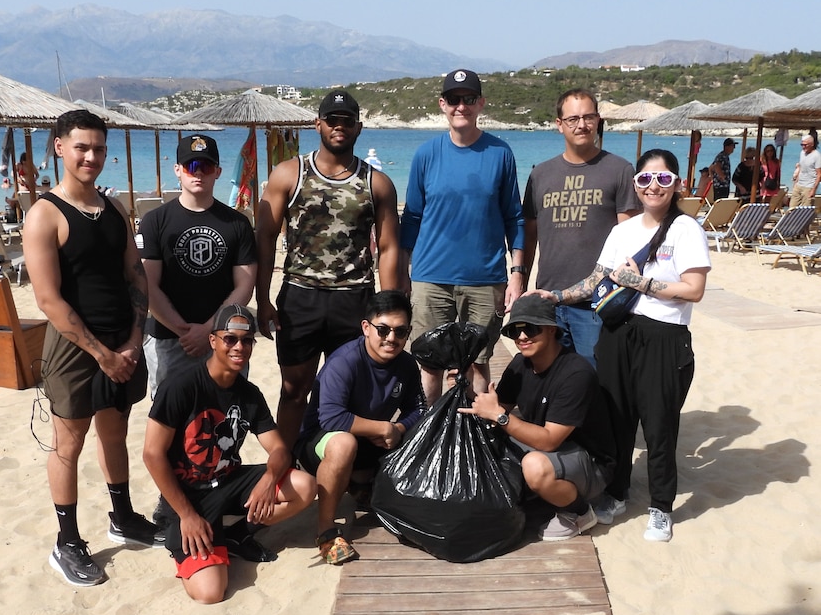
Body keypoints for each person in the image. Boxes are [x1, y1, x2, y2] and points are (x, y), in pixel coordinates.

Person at [533, 149, 711, 542]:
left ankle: (661, 507)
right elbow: (597, 280)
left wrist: (642, 283)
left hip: (664, 337)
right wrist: (557, 297)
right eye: (646, 179)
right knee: (617, 418)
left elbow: (694, 290)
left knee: (659, 423)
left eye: (663, 179)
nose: (654, 187)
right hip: (617, 332)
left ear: (677, 184)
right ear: (636, 185)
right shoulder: (622, 232)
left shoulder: (686, 230)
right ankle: (616, 491)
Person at [23, 109, 161, 587]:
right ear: (59, 147)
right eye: (81, 147)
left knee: (114, 432)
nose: (91, 156)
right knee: (69, 443)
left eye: (99, 148)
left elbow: (135, 274)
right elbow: (48, 299)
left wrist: (132, 340)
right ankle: (66, 542)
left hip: (122, 341)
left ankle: (122, 515)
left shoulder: (113, 209)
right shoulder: (45, 215)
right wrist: (103, 353)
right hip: (74, 349)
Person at [255, 89, 401, 449]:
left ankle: (350, 471)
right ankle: (285, 467)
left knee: (352, 392)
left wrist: (391, 308)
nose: (339, 127)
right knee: (293, 390)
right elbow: (264, 239)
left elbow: (389, 248)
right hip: (300, 298)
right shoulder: (289, 174)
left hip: (355, 301)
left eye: (347, 121)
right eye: (332, 120)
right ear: (317, 124)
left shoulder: (376, 183)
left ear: (358, 128)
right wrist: (262, 299)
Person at [142, 304, 316, 603]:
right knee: (210, 593)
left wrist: (267, 480)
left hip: (227, 481)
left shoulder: (249, 394)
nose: (239, 347)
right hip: (189, 497)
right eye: (230, 339)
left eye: (247, 340)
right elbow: (152, 455)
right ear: (213, 341)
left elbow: (278, 449)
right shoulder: (181, 386)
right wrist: (186, 515)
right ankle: (200, 539)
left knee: (305, 486)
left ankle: (236, 534)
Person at [401, 69, 526, 405]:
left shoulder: (500, 154)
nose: (461, 106)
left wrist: (517, 274)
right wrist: (402, 271)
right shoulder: (426, 155)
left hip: (485, 279)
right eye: (454, 99)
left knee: (479, 363)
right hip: (430, 278)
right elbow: (411, 217)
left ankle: (477, 434)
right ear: (443, 104)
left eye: (468, 99)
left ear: (480, 103)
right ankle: (428, 432)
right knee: (428, 363)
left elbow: (514, 217)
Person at [457, 294, 616, 541]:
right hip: (547, 446)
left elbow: (548, 440)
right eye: (514, 331)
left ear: (552, 329)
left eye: (531, 328)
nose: (522, 337)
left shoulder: (576, 373)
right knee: (482, 438)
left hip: (590, 462)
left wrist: (499, 416)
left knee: (535, 467)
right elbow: (494, 409)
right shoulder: (521, 363)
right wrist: (464, 387)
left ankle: (580, 513)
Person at [294, 290, 425, 564]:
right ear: (366, 327)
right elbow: (330, 418)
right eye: (383, 329)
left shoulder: (407, 364)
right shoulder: (344, 361)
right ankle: (327, 531)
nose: (391, 338)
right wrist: (381, 428)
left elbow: (419, 410)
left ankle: (363, 485)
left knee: (425, 434)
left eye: (400, 331)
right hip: (321, 444)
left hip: (372, 440)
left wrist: (398, 429)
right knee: (344, 443)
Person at [521, 88, 641, 367]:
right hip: (548, 300)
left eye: (588, 117)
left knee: (597, 379)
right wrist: (522, 282)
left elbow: (629, 241)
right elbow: (529, 235)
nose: (581, 124)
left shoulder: (619, 170)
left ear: (598, 120)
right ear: (559, 124)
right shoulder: (540, 174)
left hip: (597, 304)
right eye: (573, 118)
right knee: (553, 381)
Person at [137, 133, 256, 395]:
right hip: (170, 338)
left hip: (225, 339)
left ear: (218, 172)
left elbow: (245, 285)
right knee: (170, 421)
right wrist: (186, 332)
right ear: (177, 170)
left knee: (225, 417)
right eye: (191, 166)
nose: (198, 173)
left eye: (206, 166)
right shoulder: (154, 222)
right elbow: (149, 285)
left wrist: (210, 330)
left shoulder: (238, 224)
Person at [790, 134, 821, 208]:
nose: (803, 147)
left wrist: (813, 190)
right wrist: (795, 182)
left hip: (809, 186)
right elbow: (801, 168)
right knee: (792, 207)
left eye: (805, 145)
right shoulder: (802, 153)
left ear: (812, 144)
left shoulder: (816, 156)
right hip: (799, 185)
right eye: (802, 144)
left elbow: (819, 174)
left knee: (805, 209)